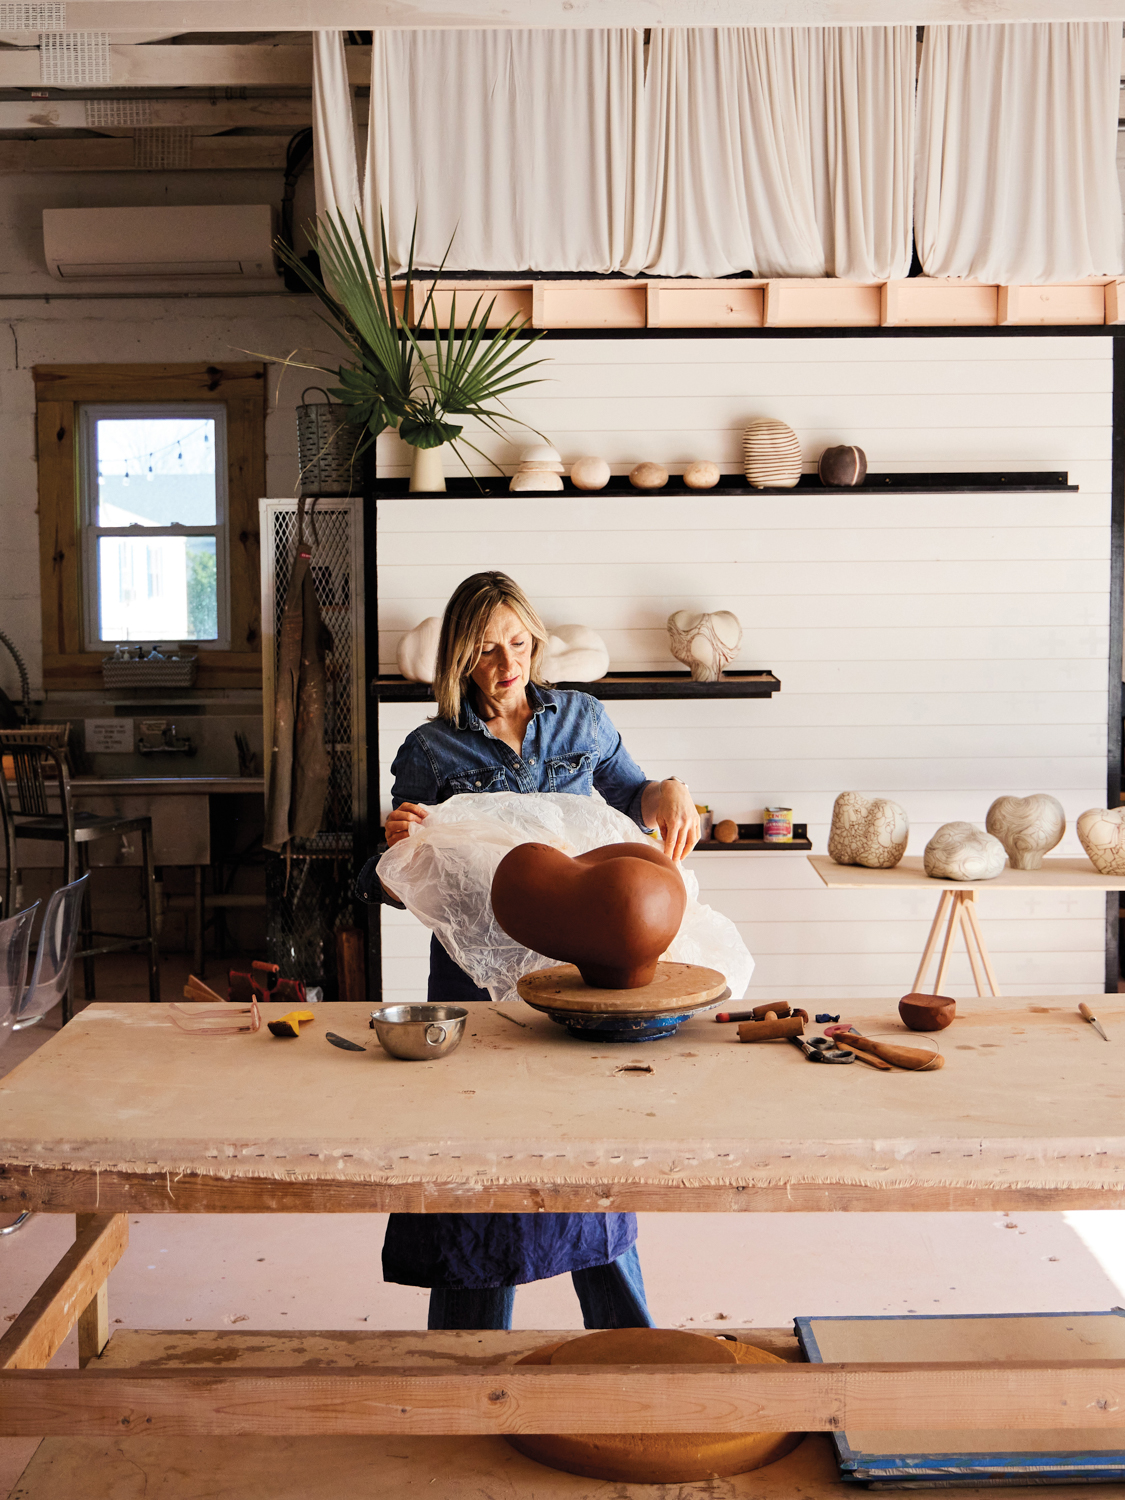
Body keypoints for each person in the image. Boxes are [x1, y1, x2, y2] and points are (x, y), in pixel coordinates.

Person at [359, 571, 701, 1331]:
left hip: (578, 971)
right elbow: (387, 884)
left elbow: (632, 795)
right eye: (484, 650)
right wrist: (397, 847)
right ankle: (464, 1364)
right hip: (473, 973)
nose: (505, 664)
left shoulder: (581, 717)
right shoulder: (430, 747)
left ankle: (628, 1351)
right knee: (475, 1162)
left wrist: (669, 791)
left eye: (517, 643)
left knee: (588, 1159)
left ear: (535, 643)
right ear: (457, 658)